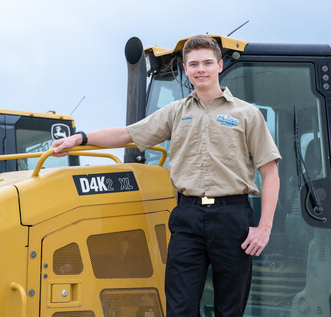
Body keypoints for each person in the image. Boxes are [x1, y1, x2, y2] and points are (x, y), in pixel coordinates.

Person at [51, 35, 281, 317]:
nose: (201, 69)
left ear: (219, 65)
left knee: (229, 310)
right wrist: (80, 138)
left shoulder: (247, 114)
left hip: (232, 218)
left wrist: (264, 228)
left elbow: (269, 173)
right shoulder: (175, 113)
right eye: (194, 64)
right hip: (188, 218)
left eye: (207, 63)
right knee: (180, 309)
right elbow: (127, 134)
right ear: (186, 69)